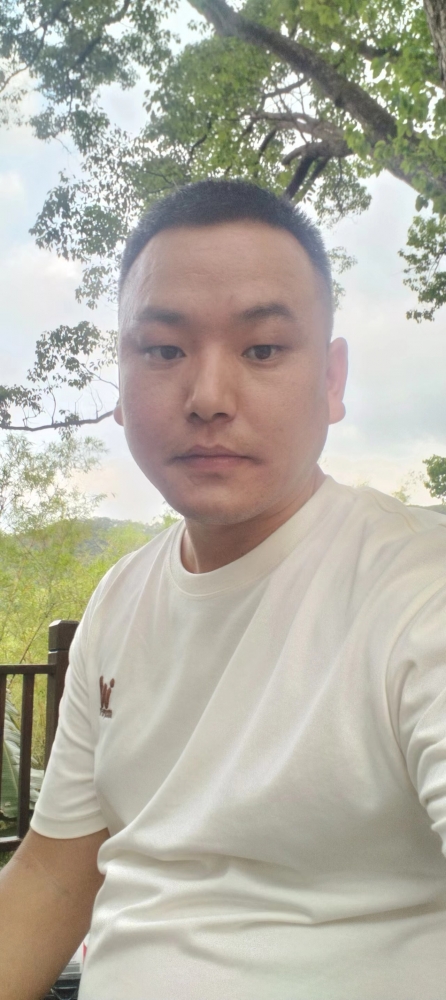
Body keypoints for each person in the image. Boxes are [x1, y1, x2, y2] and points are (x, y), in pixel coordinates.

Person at [1, 179, 445, 1000]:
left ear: (332, 380)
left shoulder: (418, 587)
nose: (208, 397)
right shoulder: (120, 599)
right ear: (121, 380)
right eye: (164, 351)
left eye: (262, 349)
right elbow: (55, 875)